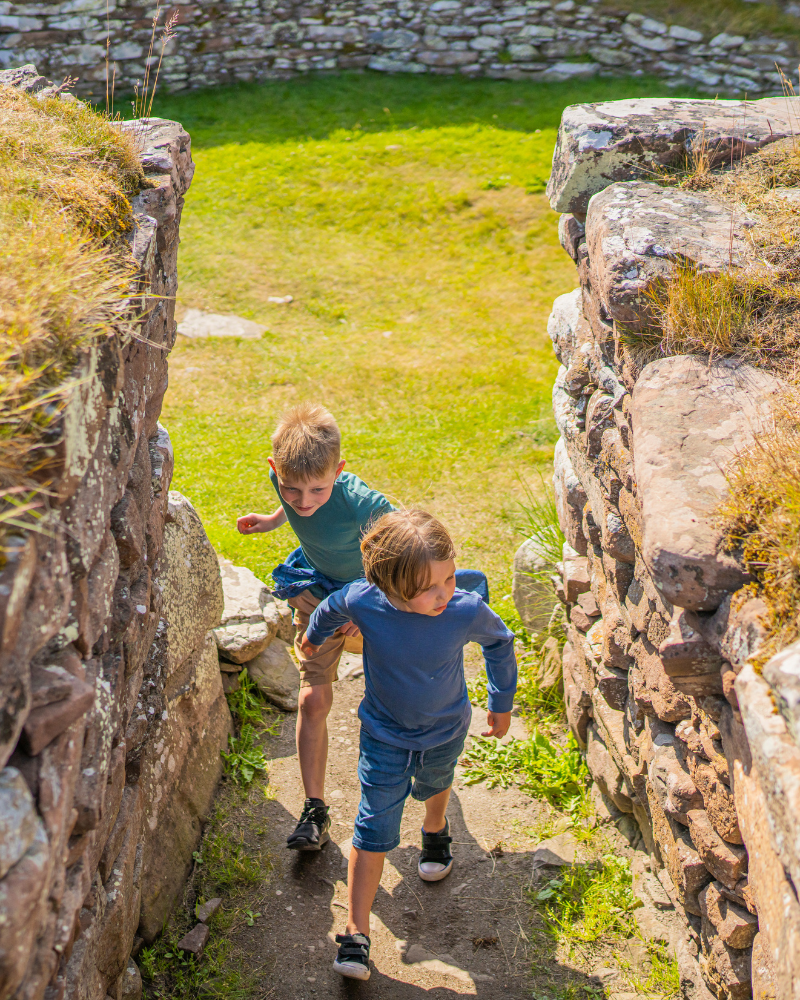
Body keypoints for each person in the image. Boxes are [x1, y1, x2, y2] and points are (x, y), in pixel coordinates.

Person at [300, 509, 517, 982]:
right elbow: (329, 607)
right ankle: (356, 934)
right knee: (372, 822)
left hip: (445, 729)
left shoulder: (462, 609)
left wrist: (501, 701)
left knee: (437, 782)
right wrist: (312, 638)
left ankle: (435, 830)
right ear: (390, 588)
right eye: (428, 587)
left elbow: (499, 642)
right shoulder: (365, 601)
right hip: (384, 734)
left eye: (449, 576)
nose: (444, 593)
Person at [237, 403, 395, 851]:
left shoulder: (366, 505)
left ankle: (405, 782)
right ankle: (314, 809)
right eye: (292, 489)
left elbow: (408, 552)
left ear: (339, 471)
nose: (303, 502)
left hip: (369, 602)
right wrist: (272, 519)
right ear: (276, 470)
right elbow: (295, 505)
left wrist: (366, 604)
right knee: (313, 699)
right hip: (318, 594)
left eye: (318, 490)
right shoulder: (283, 481)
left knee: (391, 697)